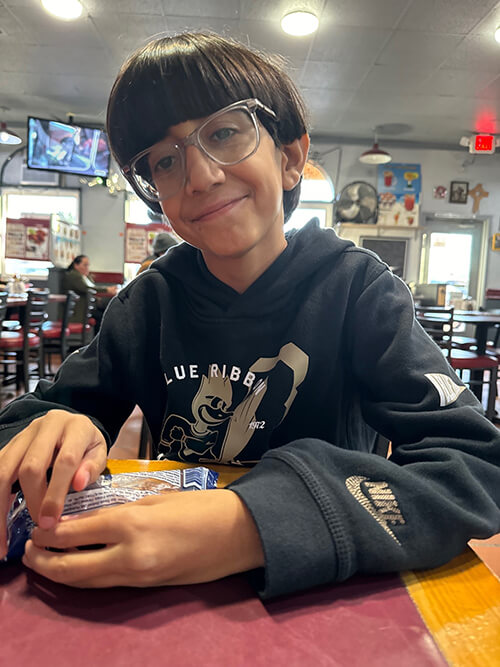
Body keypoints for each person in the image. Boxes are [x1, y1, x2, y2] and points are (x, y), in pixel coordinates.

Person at [0, 32, 499, 599]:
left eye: (224, 132)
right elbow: (44, 412)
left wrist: (248, 526)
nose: (200, 176)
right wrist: (64, 426)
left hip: (328, 593)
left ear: (290, 159)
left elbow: (475, 464)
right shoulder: (149, 303)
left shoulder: (358, 290)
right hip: (169, 598)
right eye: (164, 161)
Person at [63, 254, 118, 329]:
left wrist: (87, 276)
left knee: (107, 312)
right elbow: (86, 288)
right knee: (103, 316)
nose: (87, 268)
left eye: (88, 265)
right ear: (76, 265)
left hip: (87, 308)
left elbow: (91, 287)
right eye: (85, 265)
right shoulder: (73, 275)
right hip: (78, 311)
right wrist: (107, 290)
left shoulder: (82, 276)